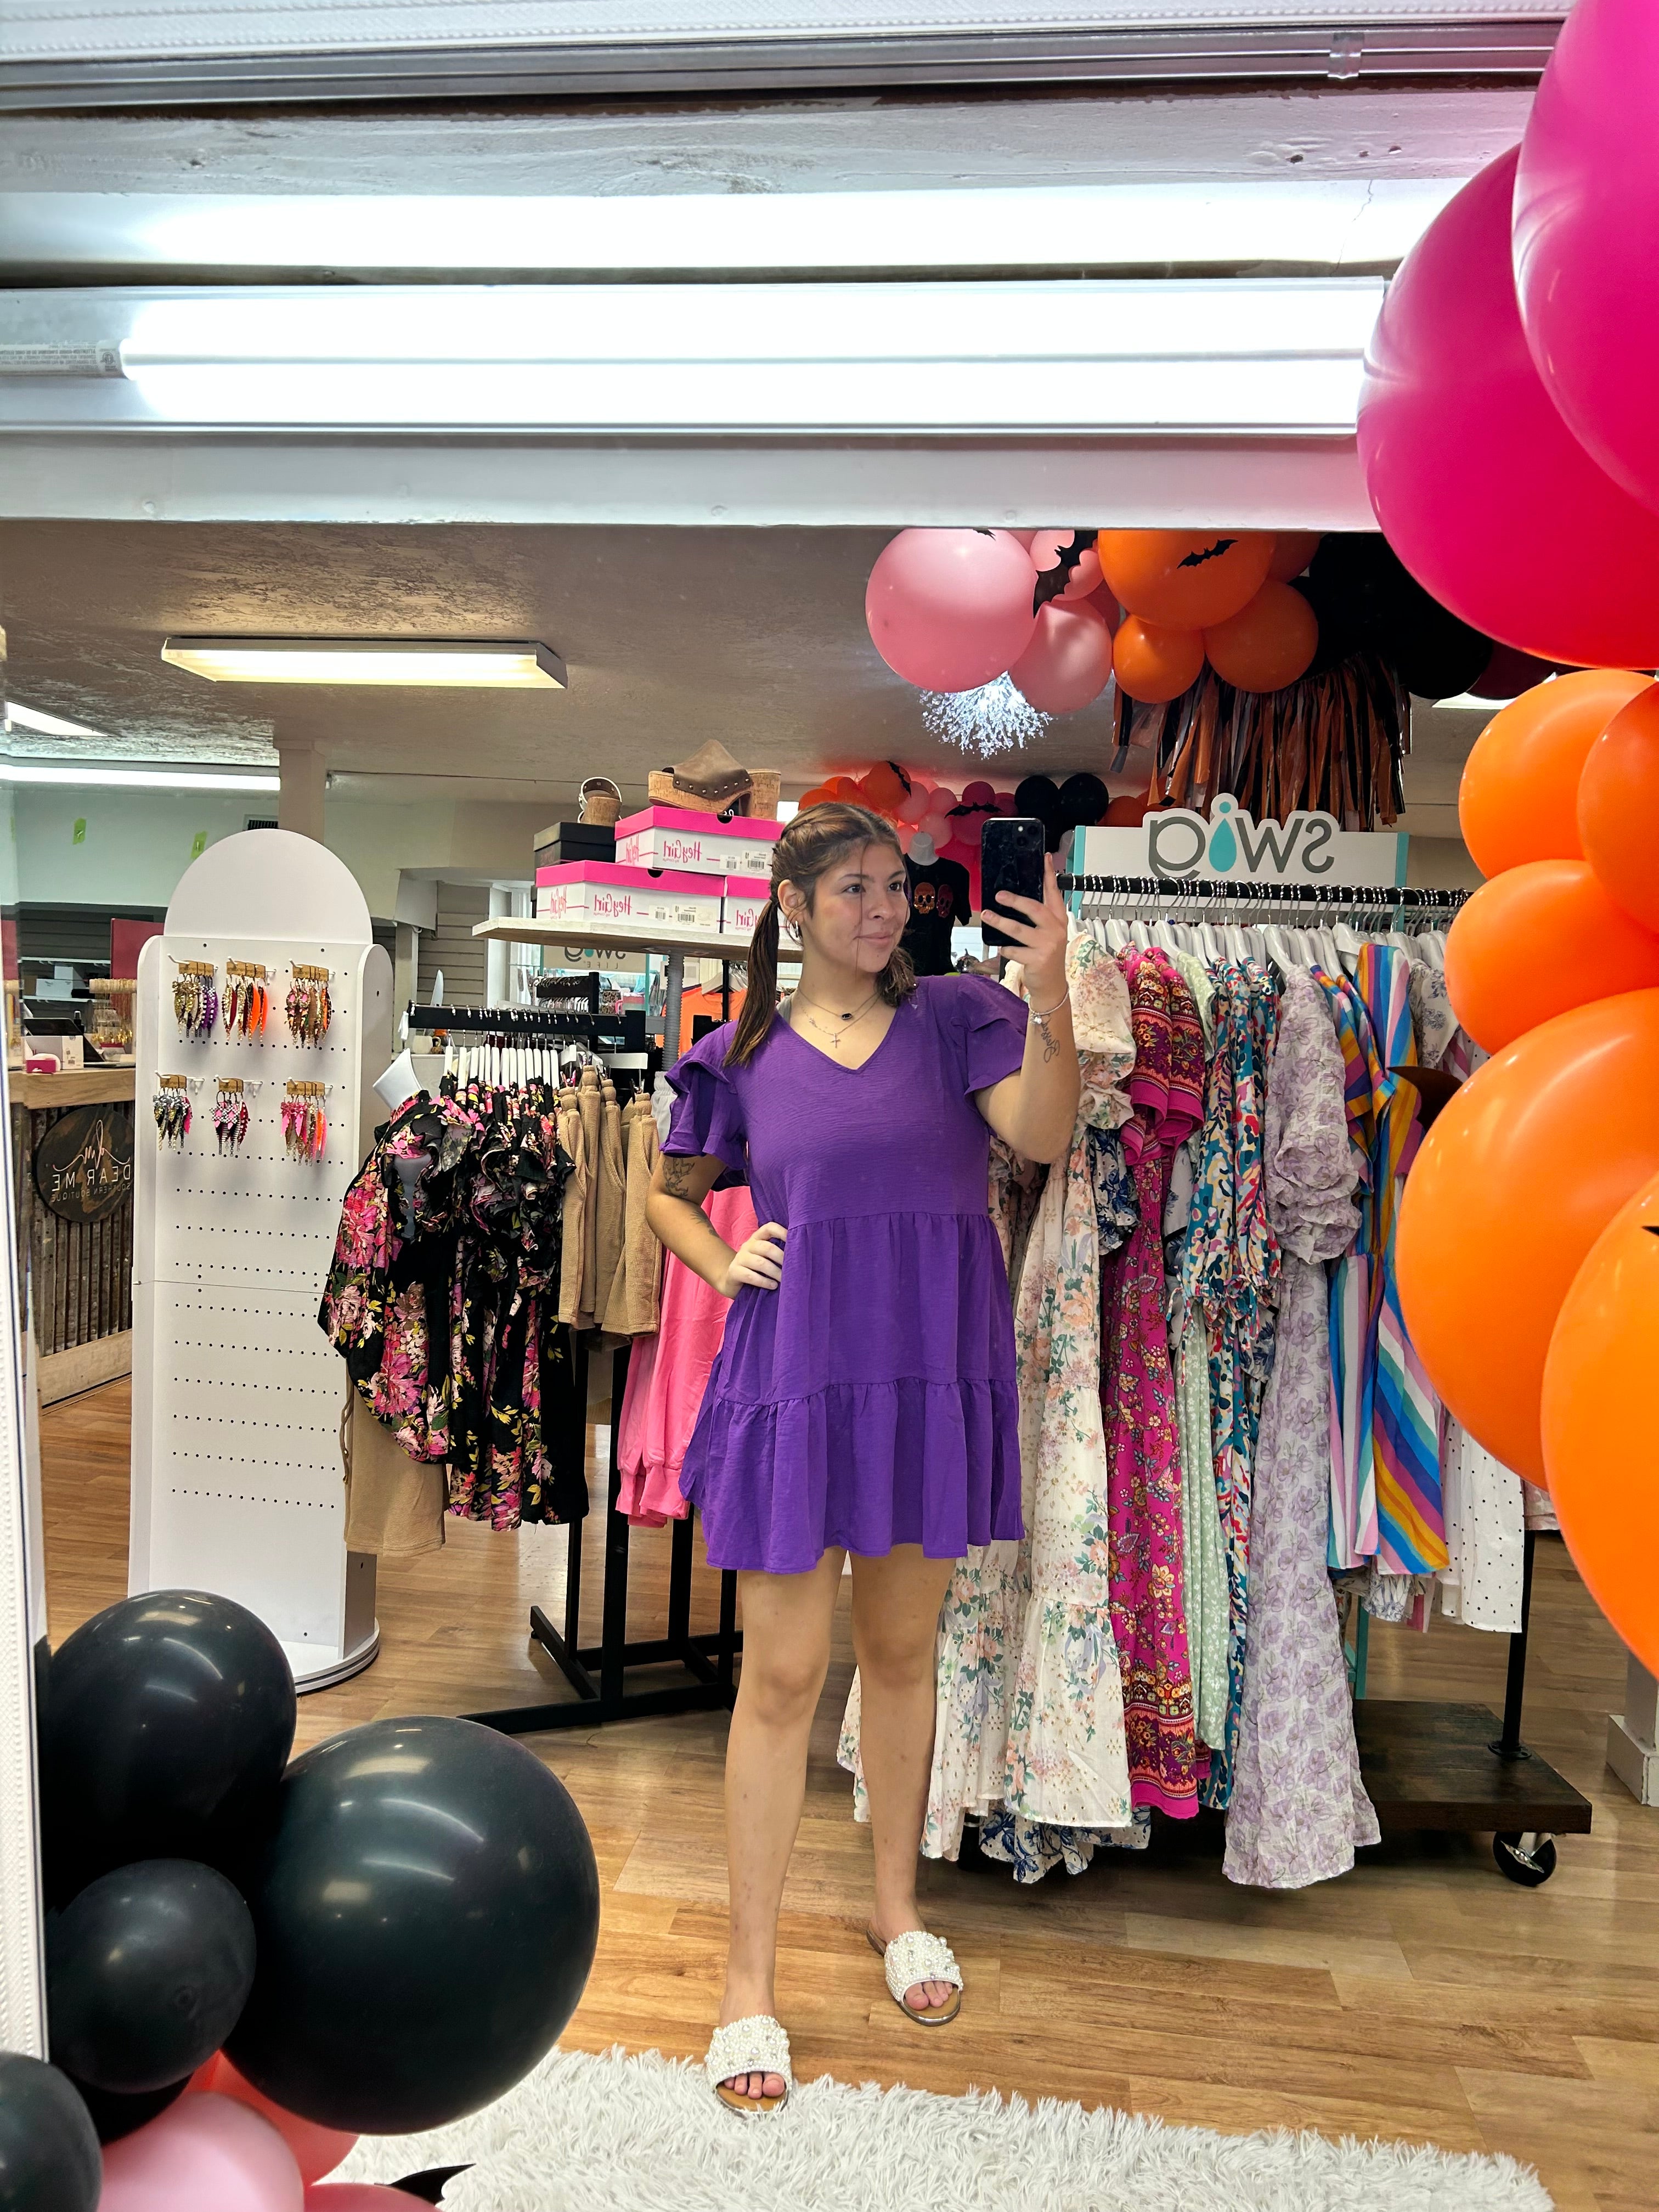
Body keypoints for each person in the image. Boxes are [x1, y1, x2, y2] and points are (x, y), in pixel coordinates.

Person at [645, 799, 1078, 2114]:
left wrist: (1050, 996)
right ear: (796, 906)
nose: (884, 906)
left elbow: (1046, 1139)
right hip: (799, 1373)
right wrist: (728, 1256)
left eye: (896, 884)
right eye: (854, 887)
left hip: (929, 1375)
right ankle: (748, 1977)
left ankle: (897, 1910)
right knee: (780, 1675)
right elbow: (665, 1192)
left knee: (903, 1655)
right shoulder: (740, 1053)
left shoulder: (958, 1016)